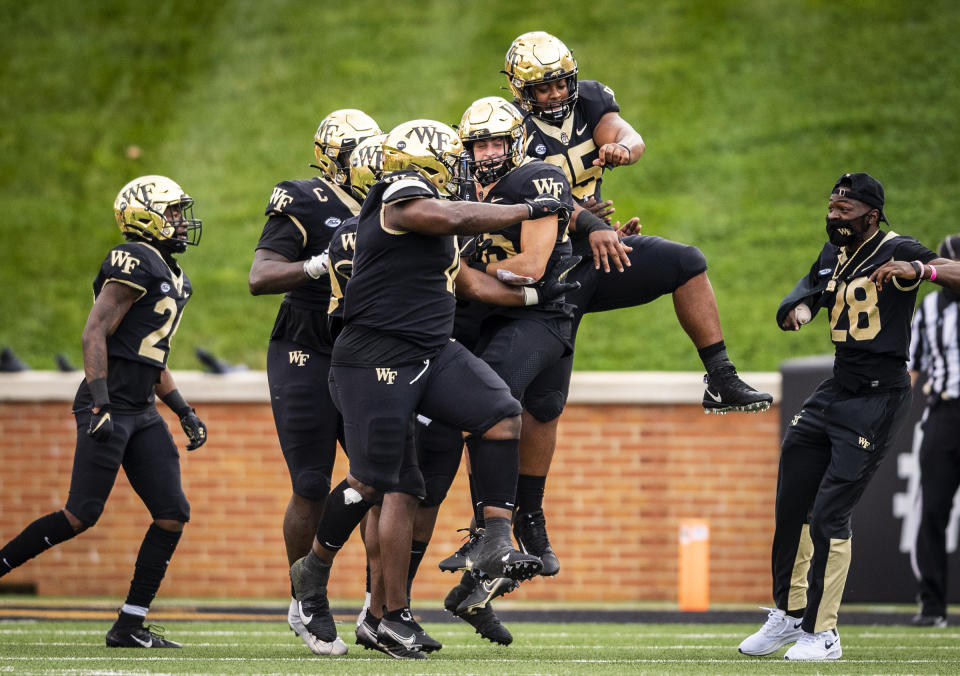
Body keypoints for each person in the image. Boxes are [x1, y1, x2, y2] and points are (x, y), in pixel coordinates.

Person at [290, 119, 574, 660]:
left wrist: (540, 300)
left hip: (429, 350)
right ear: (425, 164)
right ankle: (316, 573)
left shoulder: (436, 226)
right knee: (374, 482)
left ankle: (493, 536)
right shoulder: (401, 199)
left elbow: (471, 285)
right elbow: (444, 212)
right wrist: (524, 210)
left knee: (500, 414)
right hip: (375, 355)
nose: (460, 168)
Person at [737, 172, 960, 661]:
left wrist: (919, 272)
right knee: (791, 501)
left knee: (830, 514)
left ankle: (824, 633)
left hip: (877, 395)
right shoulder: (832, 253)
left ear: (872, 214)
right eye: (832, 209)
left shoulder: (900, 247)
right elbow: (809, 292)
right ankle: (791, 614)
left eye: (845, 211)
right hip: (836, 387)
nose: (834, 218)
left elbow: (954, 272)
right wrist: (796, 309)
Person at [0, 175, 208, 648]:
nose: (180, 221)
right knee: (80, 514)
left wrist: (183, 410)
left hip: (142, 410)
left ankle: (129, 624)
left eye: (179, 212)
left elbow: (152, 359)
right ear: (144, 215)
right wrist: (99, 401)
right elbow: (94, 333)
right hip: (108, 405)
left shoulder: (176, 277)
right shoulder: (134, 258)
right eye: (171, 212)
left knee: (172, 512)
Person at [248, 109, 381, 656]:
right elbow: (260, 275)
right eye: (359, 155)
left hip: (365, 343)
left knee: (385, 479)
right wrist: (318, 264)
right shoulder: (304, 198)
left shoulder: (394, 198)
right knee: (310, 480)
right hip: (305, 343)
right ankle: (306, 596)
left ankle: (383, 608)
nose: (373, 166)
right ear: (333, 158)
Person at [907, 233, 960, 628]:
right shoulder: (929, 309)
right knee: (933, 511)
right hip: (943, 412)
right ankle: (933, 604)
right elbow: (913, 364)